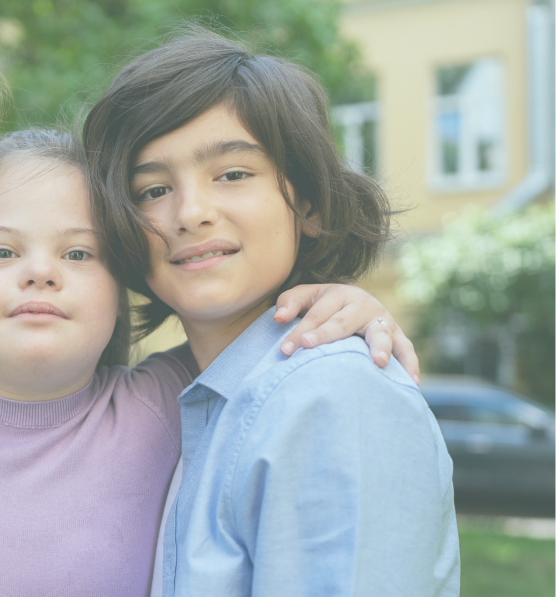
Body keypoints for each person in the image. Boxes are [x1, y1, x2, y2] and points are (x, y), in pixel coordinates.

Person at [0, 130, 421, 596]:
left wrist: (342, 301)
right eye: (2, 251)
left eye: (79, 253)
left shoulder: (166, 400)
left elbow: (255, 333)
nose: (39, 272)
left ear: (122, 283)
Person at [83, 30, 459, 596]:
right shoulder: (199, 395)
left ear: (306, 202)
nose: (190, 213)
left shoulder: (330, 394)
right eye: (152, 190)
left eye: (232, 174)